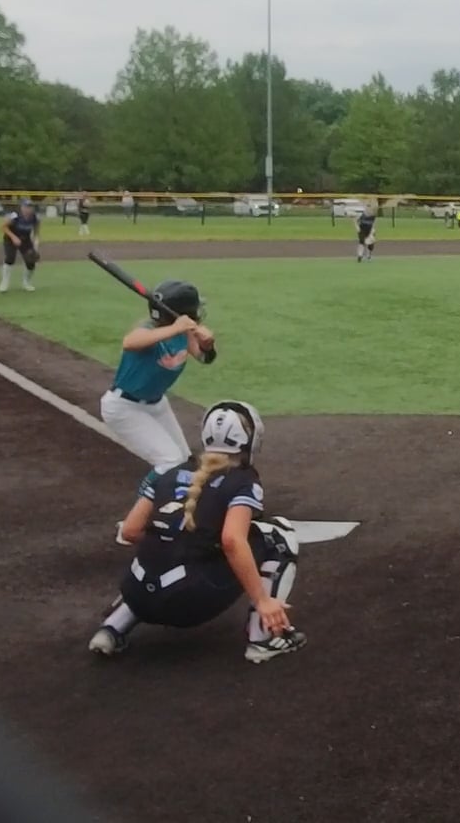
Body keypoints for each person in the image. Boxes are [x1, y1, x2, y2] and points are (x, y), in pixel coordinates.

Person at [88, 401, 305, 664]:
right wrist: (262, 600)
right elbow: (232, 540)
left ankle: (113, 627)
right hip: (188, 604)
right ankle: (264, 638)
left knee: (161, 553)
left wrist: (178, 541)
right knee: (278, 536)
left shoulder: (169, 473)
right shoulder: (242, 481)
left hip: (135, 594)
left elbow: (130, 531)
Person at [98, 280, 217, 480]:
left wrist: (207, 345)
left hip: (157, 404)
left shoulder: (186, 333)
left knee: (184, 461)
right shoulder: (147, 329)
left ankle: (176, 496)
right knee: (170, 461)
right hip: (124, 407)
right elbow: (130, 342)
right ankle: (146, 499)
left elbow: (205, 358)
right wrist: (175, 328)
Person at [0, 199, 40, 293]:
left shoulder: (35, 217)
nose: (28, 209)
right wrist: (13, 237)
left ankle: (26, 283)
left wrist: (36, 244)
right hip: (10, 239)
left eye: (30, 207)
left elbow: (36, 232)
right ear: (21, 207)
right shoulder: (15, 216)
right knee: (10, 258)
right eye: (26, 207)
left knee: (31, 261)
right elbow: (3, 227)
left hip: (25, 239)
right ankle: (4, 282)